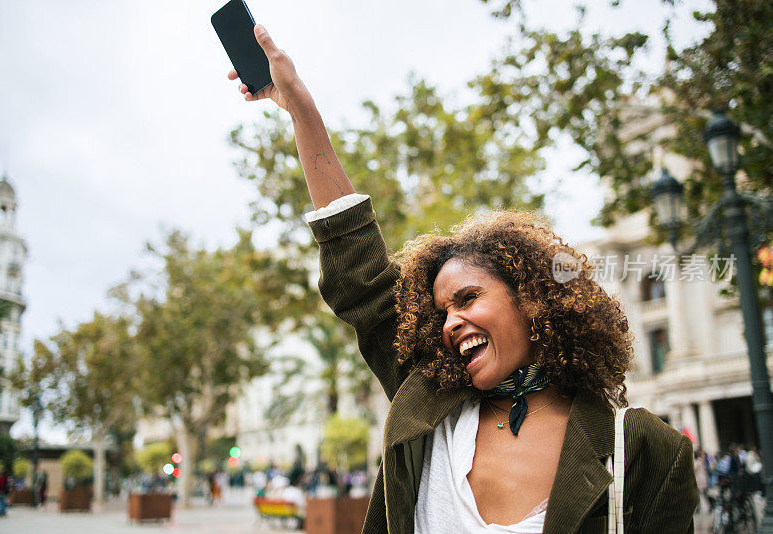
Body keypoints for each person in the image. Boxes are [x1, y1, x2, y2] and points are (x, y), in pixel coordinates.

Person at [230, 24, 698, 533]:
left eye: (468, 298)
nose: (451, 322)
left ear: (533, 300)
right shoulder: (428, 401)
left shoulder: (646, 450)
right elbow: (358, 270)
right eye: (442, 311)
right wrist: (301, 110)